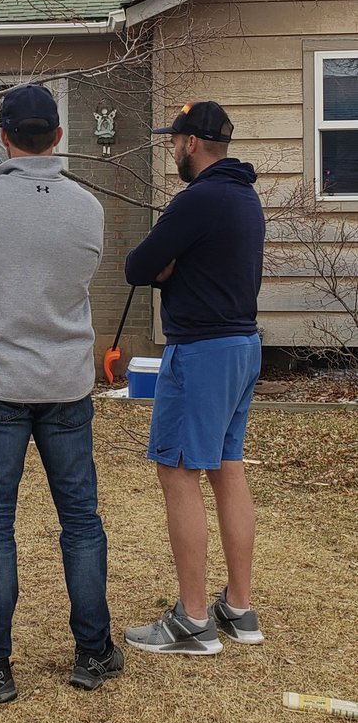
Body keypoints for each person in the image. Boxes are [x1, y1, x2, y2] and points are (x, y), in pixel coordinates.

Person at [0, 84, 123, 703]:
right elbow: (82, 274)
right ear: (59, 137)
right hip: (66, 383)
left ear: (4, 136)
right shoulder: (87, 208)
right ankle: (94, 651)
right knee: (81, 521)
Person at [123, 101, 266, 655]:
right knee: (227, 468)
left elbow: (137, 267)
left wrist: (168, 269)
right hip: (243, 346)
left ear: (192, 143)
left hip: (201, 351)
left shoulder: (197, 200)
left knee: (178, 471)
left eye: (174, 141)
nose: (172, 150)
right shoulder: (244, 196)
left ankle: (193, 619)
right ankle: (240, 608)